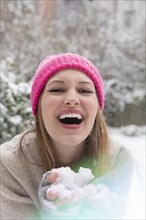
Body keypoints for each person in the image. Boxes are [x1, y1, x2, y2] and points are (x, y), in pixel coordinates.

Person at [0, 53, 134, 220]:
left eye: (85, 90)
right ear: (39, 106)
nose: (72, 99)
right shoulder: (8, 164)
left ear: (97, 109)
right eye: (57, 89)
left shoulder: (118, 160)